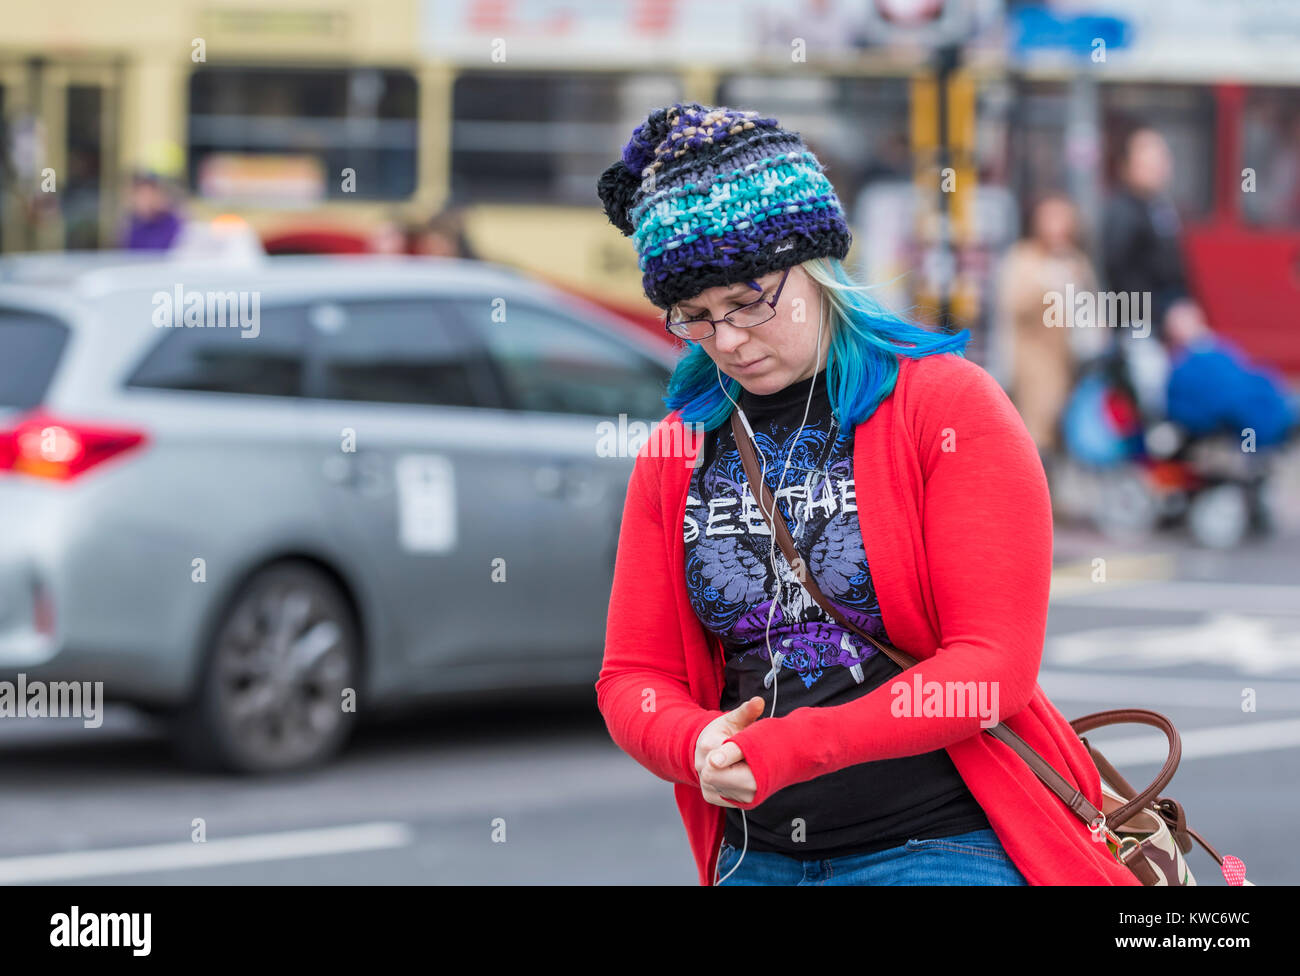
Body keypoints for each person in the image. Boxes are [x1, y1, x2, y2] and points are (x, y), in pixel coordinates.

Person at [594, 103, 1139, 887]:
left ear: (816, 268)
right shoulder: (679, 449)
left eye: (748, 302)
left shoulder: (946, 406)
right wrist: (693, 744)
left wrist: (793, 747)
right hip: (759, 855)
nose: (730, 340)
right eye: (696, 319)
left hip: (945, 844)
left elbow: (991, 668)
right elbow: (631, 676)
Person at [996, 192, 1102, 456]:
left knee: (1067, 435)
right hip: (1034, 363)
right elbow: (1013, 303)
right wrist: (1048, 286)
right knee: (1036, 434)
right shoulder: (1023, 258)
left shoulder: (1076, 261)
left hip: (1070, 363)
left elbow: (1092, 308)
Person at [1101, 126, 1190, 341]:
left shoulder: (1158, 206)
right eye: (1150, 160)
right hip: (1139, 328)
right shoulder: (1123, 212)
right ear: (1128, 165)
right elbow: (1120, 275)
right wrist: (1162, 314)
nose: (1160, 167)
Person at [119, 169, 184, 250]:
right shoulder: (132, 225)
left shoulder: (172, 223)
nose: (146, 201)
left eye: (149, 195)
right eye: (141, 196)